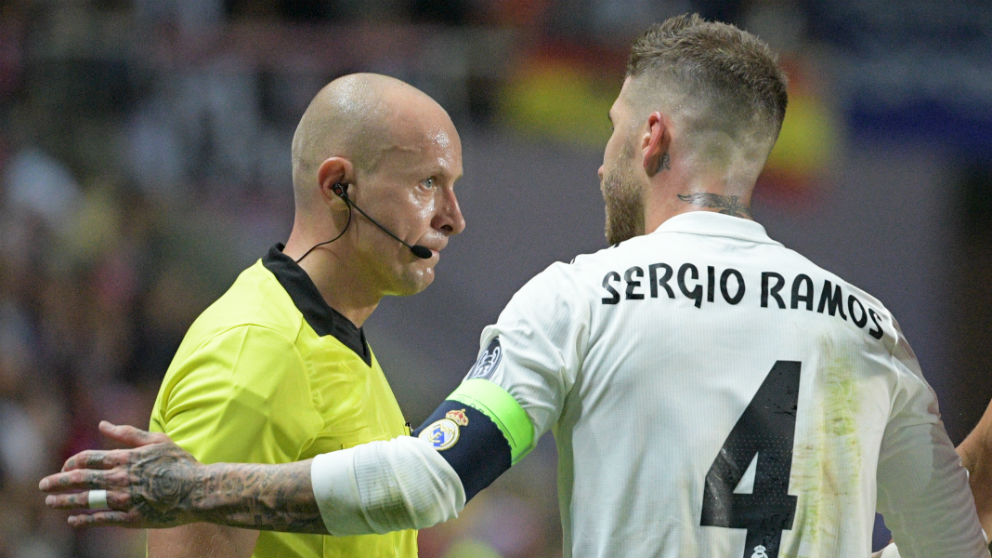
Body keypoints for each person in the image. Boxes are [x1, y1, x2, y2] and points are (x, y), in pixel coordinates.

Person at [39, 14, 988, 558]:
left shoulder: (578, 299)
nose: (606, 157)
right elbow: (953, 548)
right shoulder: (870, 329)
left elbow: (432, 477)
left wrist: (196, 486)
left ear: (651, 139)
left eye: (615, 130)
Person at [105, 72, 466, 557]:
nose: (453, 218)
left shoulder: (332, 336)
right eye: (427, 183)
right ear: (339, 186)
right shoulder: (257, 352)